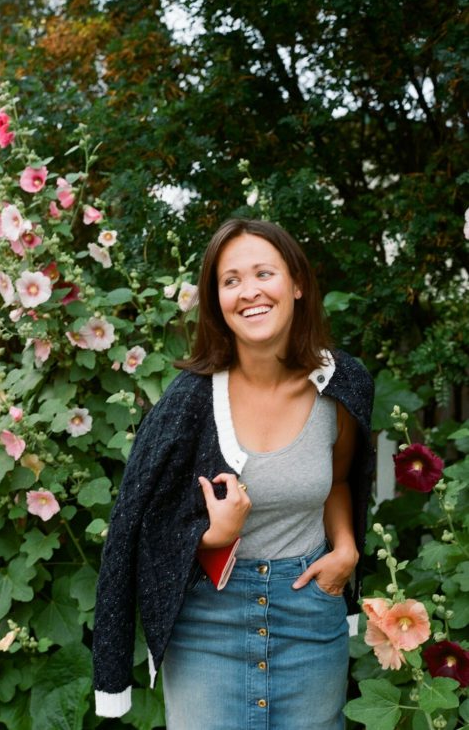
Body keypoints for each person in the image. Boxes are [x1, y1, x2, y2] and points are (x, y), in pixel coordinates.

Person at [92, 218, 375, 729]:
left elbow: (339, 479)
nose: (249, 292)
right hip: (206, 624)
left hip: (309, 612)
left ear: (297, 283)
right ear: (215, 300)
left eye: (264, 273)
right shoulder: (187, 404)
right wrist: (212, 535)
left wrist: (346, 548)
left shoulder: (341, 385)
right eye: (230, 280)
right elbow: (138, 530)